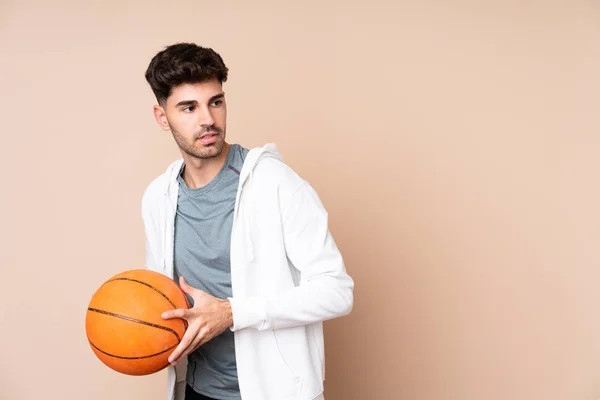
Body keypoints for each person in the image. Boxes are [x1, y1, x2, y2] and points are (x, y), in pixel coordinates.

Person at [141, 42, 354, 400]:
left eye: (216, 102)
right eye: (188, 107)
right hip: (198, 389)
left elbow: (337, 291)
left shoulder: (275, 182)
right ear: (162, 117)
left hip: (277, 393)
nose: (207, 119)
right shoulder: (159, 198)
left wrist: (231, 313)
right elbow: (161, 299)